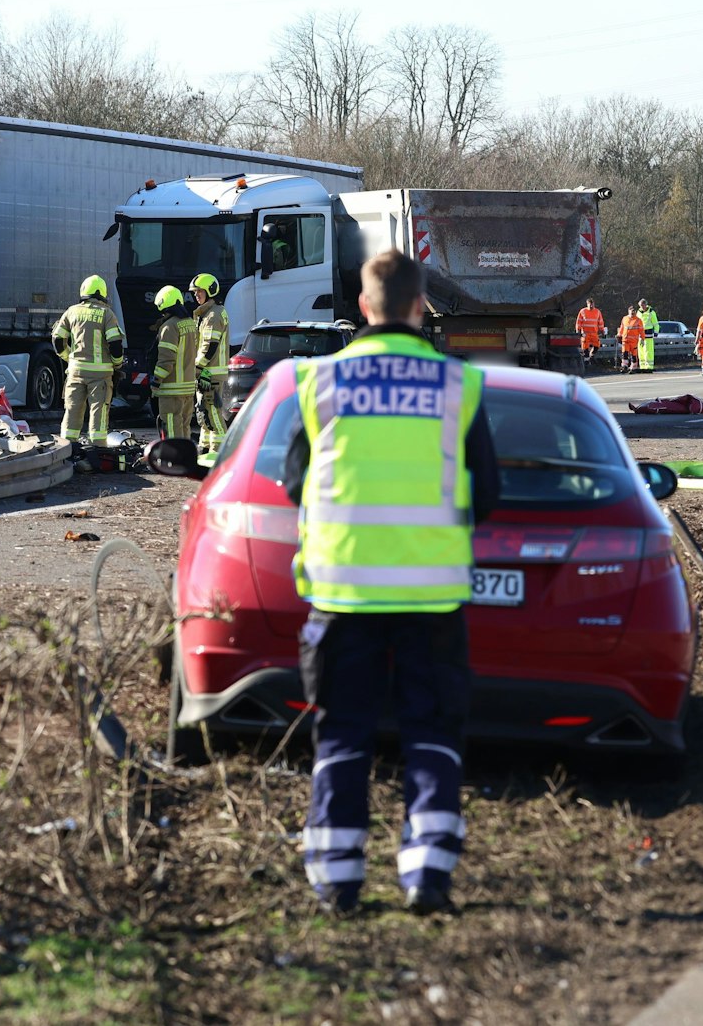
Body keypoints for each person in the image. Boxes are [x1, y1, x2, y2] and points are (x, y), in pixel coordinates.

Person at [281, 248, 499, 917]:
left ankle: (337, 880)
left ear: (363, 307)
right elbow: (488, 493)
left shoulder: (320, 381)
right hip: (431, 595)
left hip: (343, 591)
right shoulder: (457, 385)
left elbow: (293, 483)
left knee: (342, 734)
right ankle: (427, 874)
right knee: (431, 732)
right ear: (419, 306)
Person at [52, 275, 124, 446]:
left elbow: (57, 339)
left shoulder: (72, 311)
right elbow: (115, 344)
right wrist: (117, 363)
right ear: (103, 293)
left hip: (75, 372)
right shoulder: (107, 314)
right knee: (98, 412)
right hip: (100, 376)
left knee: (72, 411)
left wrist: (69, 357)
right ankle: (97, 449)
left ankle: (67, 449)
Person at [189, 272, 230, 454]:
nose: (196, 295)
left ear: (210, 291)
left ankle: (221, 451)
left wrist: (198, 368)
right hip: (208, 371)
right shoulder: (209, 313)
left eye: (199, 291)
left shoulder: (213, 315)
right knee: (203, 412)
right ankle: (205, 448)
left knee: (213, 413)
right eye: (195, 292)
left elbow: (209, 346)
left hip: (210, 372)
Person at [151, 285, 198, 442]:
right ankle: (186, 455)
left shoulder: (169, 327)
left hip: (171, 390)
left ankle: (175, 456)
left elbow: (166, 360)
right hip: (188, 387)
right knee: (184, 426)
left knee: (172, 428)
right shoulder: (190, 324)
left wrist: (156, 381)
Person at [575, 299, 605, 368]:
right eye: (590, 304)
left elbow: (600, 322)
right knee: (585, 348)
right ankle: (586, 362)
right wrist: (578, 330)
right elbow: (579, 321)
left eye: (592, 304)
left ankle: (591, 355)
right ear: (587, 304)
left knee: (597, 346)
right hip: (585, 333)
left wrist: (602, 330)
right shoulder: (583, 311)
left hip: (594, 333)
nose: (591, 306)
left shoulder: (597, 312)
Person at [618, 305, 644, 373]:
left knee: (633, 355)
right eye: (631, 311)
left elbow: (641, 330)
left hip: (634, 341)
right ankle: (624, 366)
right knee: (625, 353)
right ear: (628, 311)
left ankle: (633, 367)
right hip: (625, 340)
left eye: (634, 311)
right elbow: (622, 327)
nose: (633, 313)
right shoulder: (625, 318)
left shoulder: (638, 320)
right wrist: (619, 335)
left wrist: (642, 338)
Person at [638, 299, 659, 373]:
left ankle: (649, 367)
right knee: (641, 351)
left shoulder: (651, 312)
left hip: (648, 334)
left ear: (645, 304)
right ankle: (642, 366)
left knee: (648, 351)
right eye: (640, 306)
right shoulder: (639, 312)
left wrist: (656, 332)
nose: (642, 307)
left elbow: (655, 323)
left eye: (643, 305)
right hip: (640, 335)